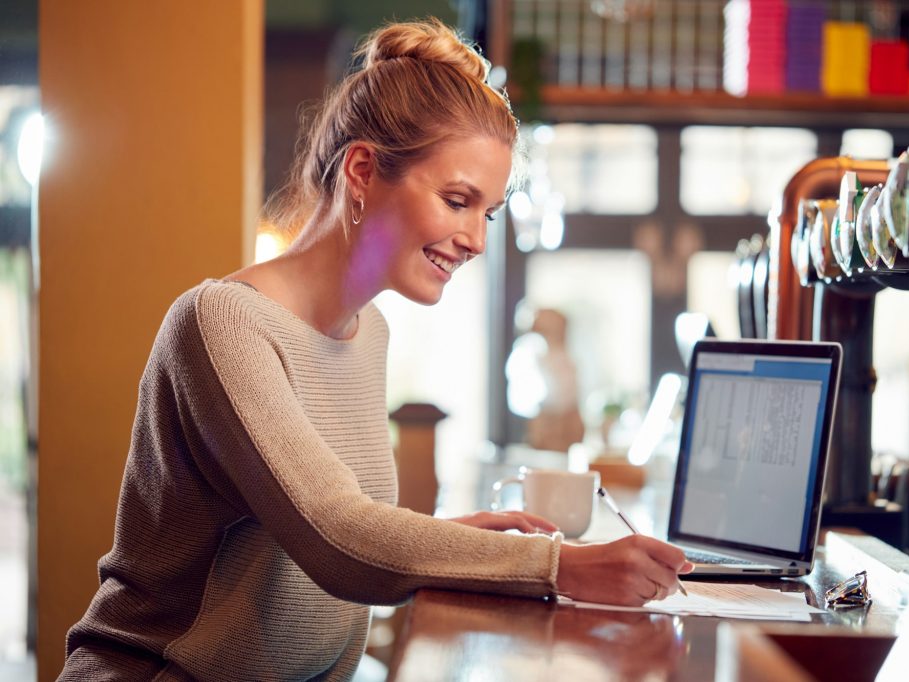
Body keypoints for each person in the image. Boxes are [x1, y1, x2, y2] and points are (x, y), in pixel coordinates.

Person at [59, 19, 692, 681]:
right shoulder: (224, 323)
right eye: (457, 200)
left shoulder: (369, 332)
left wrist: (457, 542)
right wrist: (564, 567)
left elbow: (344, 526)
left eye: (489, 213)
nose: (475, 239)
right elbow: (337, 537)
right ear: (362, 170)